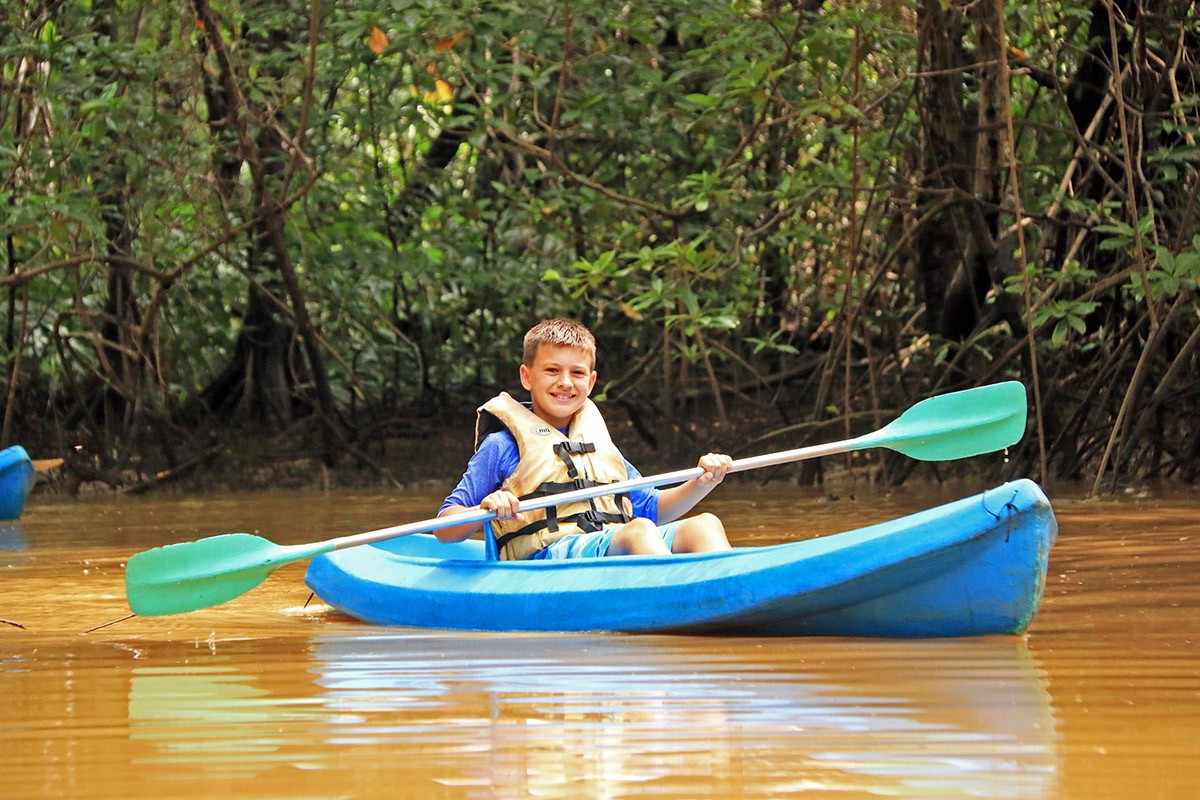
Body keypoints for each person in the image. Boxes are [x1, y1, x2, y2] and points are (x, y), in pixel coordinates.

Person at [437, 318, 733, 560]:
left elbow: (654, 509)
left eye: (576, 373)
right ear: (527, 377)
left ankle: (731, 594)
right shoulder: (501, 446)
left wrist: (703, 482)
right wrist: (485, 508)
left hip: (614, 543)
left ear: (590, 382)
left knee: (704, 525)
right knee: (639, 531)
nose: (565, 382)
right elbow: (445, 527)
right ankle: (680, 603)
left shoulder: (598, 442)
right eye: (552, 370)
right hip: (548, 559)